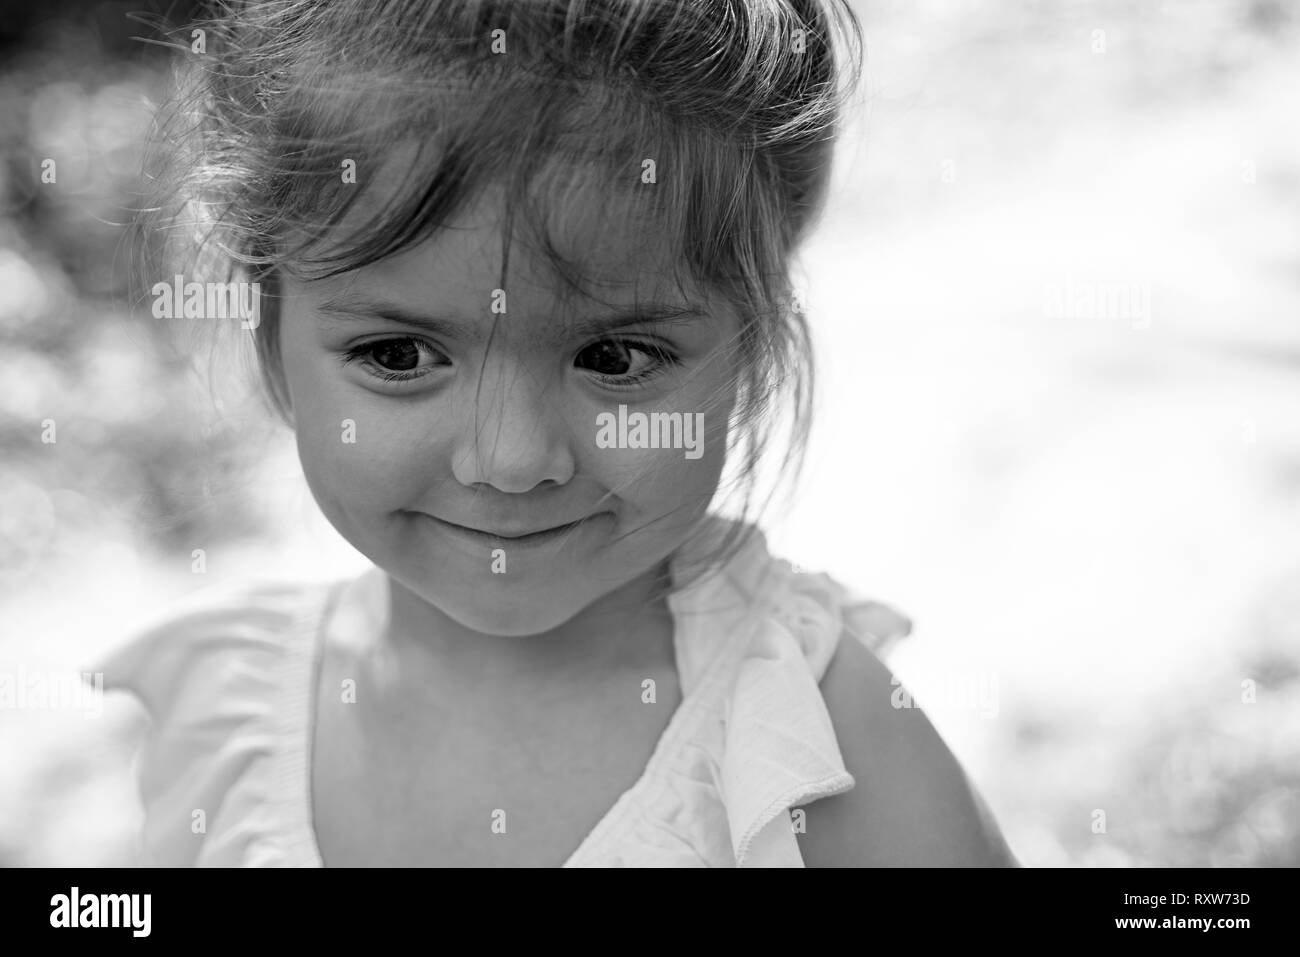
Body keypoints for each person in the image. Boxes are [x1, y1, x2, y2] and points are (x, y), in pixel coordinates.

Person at [95, 0, 1017, 867]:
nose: (511, 459)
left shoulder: (815, 742)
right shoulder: (228, 721)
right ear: (270, 339)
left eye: (616, 358)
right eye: (401, 354)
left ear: (751, 349)